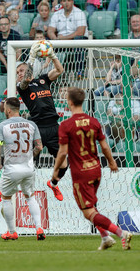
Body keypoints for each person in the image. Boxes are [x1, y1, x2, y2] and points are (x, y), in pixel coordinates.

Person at [51, 87, 132, 251]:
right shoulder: (94, 122)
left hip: (81, 174)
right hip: (96, 169)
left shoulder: (66, 125)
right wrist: (111, 162)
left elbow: (62, 153)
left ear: (70, 102)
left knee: (88, 212)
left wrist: (55, 171)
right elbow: (104, 146)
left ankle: (121, 233)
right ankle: (105, 238)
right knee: (91, 209)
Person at [15, 44, 67, 201]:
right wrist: (30, 57)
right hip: (37, 128)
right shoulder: (22, 87)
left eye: (21, 71)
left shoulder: (43, 80)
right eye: (17, 72)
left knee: (63, 164)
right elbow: (25, 81)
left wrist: (52, 55)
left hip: (53, 127)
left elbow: (60, 71)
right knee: (29, 163)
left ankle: (53, 184)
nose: (19, 74)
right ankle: (12, 188)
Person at [0, 97, 45, 241]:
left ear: (8, 110)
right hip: (28, 168)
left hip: (12, 169)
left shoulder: (2, 126)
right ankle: (39, 228)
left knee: (6, 198)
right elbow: (39, 147)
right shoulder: (31, 125)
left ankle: (12, 231)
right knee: (30, 197)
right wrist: (30, 156)